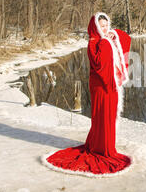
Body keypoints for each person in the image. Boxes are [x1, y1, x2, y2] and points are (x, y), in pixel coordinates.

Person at [41, 12, 132, 177]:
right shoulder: (95, 42)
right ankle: (102, 148)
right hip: (101, 86)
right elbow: (99, 64)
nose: (105, 29)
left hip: (110, 85)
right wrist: (106, 42)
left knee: (109, 116)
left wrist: (115, 35)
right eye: (101, 26)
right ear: (95, 27)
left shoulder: (107, 39)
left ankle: (102, 144)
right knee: (102, 116)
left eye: (106, 25)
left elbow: (125, 38)